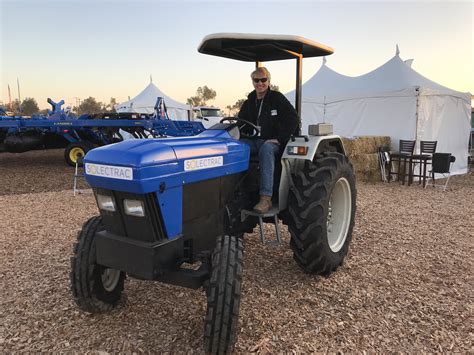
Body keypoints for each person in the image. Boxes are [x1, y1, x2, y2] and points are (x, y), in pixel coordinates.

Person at [238, 67, 298, 213]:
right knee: (236, 148)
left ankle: (265, 198)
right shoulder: (250, 101)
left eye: (263, 80)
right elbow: (240, 122)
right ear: (252, 82)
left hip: (272, 143)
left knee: (266, 148)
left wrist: (280, 138)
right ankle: (238, 193)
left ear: (269, 81)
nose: (260, 83)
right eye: (256, 80)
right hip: (253, 141)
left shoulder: (277, 99)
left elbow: (293, 119)